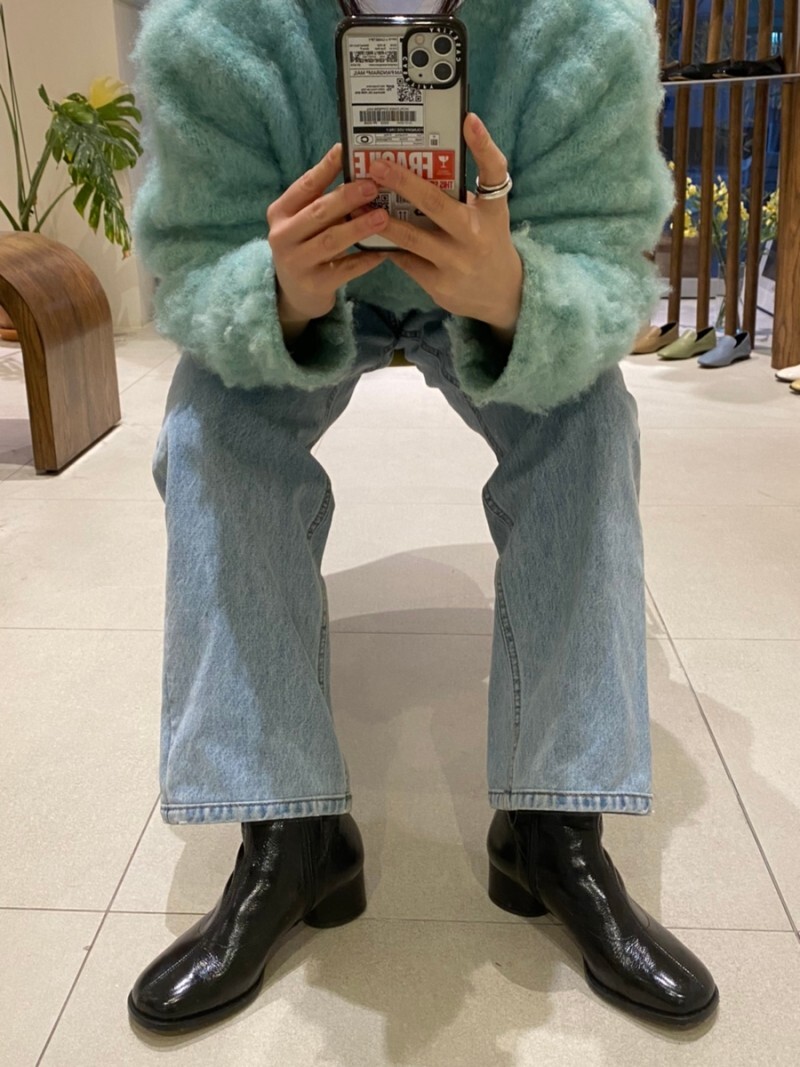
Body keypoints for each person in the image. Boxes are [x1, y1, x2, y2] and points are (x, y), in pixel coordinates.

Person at [127, 0, 719, 1035]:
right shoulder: (215, 26)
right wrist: (275, 292)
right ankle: (288, 834)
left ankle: (552, 824)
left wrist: (515, 292)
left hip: (498, 272)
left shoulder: (583, 24)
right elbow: (191, 256)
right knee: (209, 428)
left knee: (587, 422)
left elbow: (606, 256)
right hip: (310, 284)